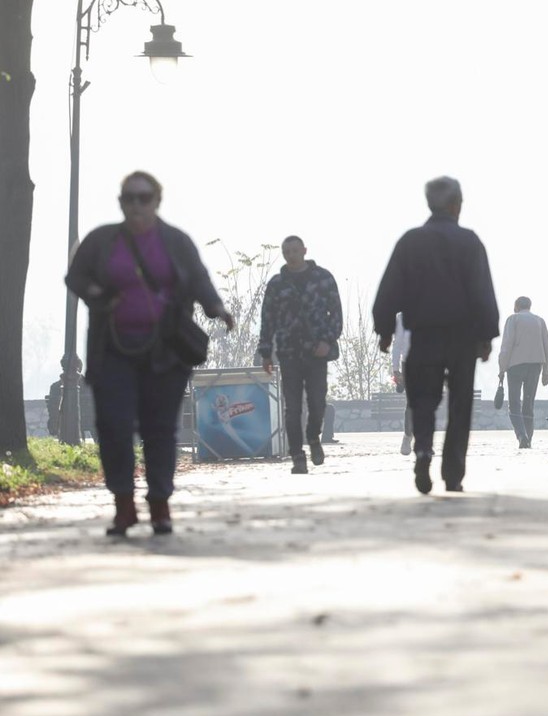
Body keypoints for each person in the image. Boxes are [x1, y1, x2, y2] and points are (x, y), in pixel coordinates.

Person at [65, 171, 234, 536]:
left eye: (144, 198)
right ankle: (123, 504)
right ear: (121, 202)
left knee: (159, 429)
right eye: (130, 198)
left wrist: (215, 307)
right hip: (112, 350)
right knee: (114, 426)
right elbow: (75, 278)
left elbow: (199, 278)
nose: (137, 205)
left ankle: (160, 503)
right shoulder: (102, 241)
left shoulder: (175, 241)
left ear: (157, 201)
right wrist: (100, 295)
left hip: (166, 351)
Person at [374, 176, 499, 494]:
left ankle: (423, 451)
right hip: (462, 338)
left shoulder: (410, 241)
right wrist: (486, 336)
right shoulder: (470, 242)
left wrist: (385, 329)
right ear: (457, 204)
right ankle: (453, 472)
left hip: (424, 336)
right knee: (460, 404)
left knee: (423, 401)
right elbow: (482, 291)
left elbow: (390, 288)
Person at [258, 235, 343, 475]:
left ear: (304, 250)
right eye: (287, 252)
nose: (291, 255)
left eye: (295, 250)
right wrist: (266, 352)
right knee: (292, 407)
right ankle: (297, 455)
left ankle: (314, 437)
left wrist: (328, 340)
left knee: (317, 402)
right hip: (288, 352)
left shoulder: (323, 278)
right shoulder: (277, 284)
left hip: (317, 352)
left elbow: (335, 313)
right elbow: (268, 319)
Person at [498, 297, 548, 449]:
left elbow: (507, 345)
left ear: (516, 306)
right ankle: (528, 437)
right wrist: (547, 372)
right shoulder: (539, 321)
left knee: (514, 403)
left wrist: (502, 368)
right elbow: (546, 346)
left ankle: (522, 436)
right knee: (528, 404)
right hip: (535, 366)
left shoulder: (513, 319)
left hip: (515, 366)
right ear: (530, 306)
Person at [391, 312, 413, 455]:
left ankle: (424, 440)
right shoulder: (402, 317)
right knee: (411, 403)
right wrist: (395, 369)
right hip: (409, 363)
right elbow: (397, 344)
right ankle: (407, 436)